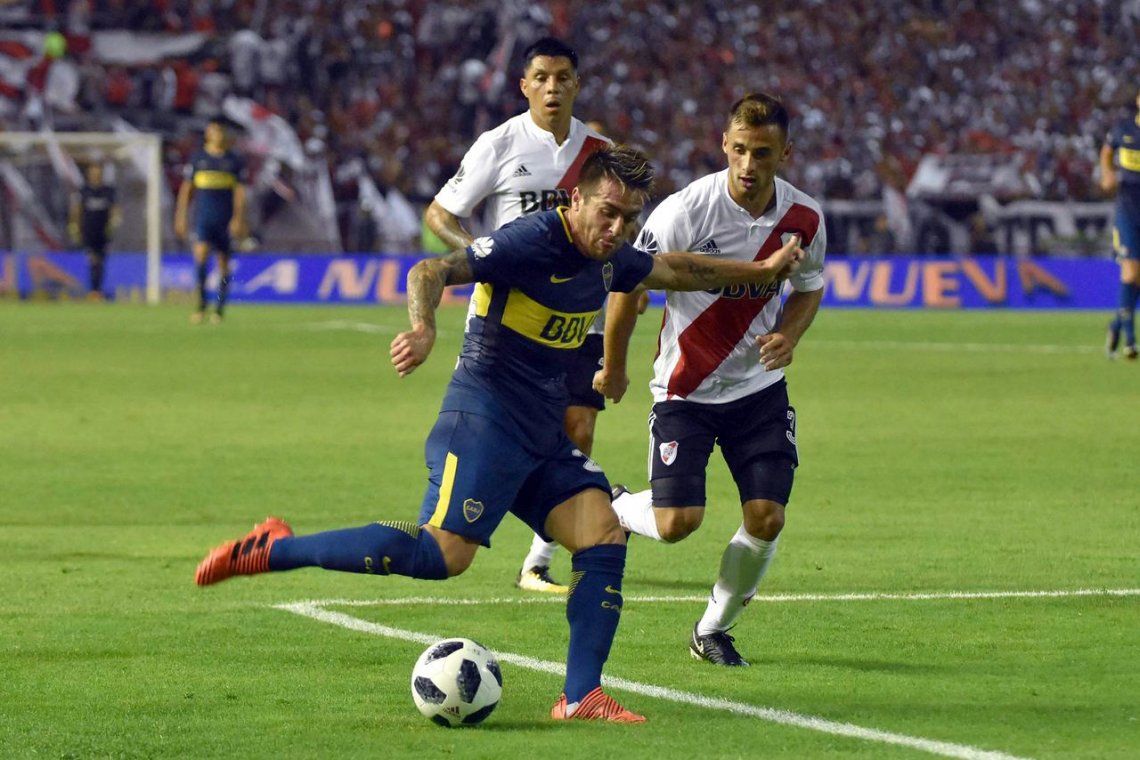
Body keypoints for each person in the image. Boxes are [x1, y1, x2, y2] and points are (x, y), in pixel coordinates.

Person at [194, 145, 805, 722]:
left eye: (628, 217)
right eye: (608, 212)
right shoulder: (531, 240)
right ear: (576, 200)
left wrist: (761, 270)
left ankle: (581, 695)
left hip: (541, 428)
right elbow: (430, 269)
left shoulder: (610, 257)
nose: (618, 228)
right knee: (443, 556)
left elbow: (676, 268)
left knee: (602, 533)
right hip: (484, 417)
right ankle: (277, 548)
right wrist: (424, 329)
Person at [595, 93, 826, 668]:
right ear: (724, 144)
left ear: (785, 154)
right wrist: (614, 366)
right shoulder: (685, 212)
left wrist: (790, 335)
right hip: (686, 390)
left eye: (762, 153)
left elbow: (810, 286)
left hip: (758, 392)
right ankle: (618, 507)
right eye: (739, 149)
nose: (748, 164)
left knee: (767, 517)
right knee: (677, 523)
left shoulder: (805, 219)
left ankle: (712, 630)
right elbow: (628, 286)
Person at [424, 37, 611, 594]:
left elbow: (616, 227)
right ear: (524, 85)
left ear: (577, 84)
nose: (553, 87)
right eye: (542, 78)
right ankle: (456, 522)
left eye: (563, 77)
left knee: (578, 429)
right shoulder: (500, 143)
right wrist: (483, 256)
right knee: (510, 432)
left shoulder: (600, 153)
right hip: (509, 323)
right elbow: (440, 213)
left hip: (580, 319)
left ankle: (537, 561)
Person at [174, 117, 247, 324]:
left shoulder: (233, 160)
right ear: (208, 133)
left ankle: (219, 309)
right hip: (203, 219)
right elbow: (187, 190)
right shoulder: (198, 158)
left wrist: (238, 218)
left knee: (224, 264)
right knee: (201, 257)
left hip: (225, 220)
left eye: (221, 131)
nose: (218, 135)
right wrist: (181, 216)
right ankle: (201, 305)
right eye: (214, 130)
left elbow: (240, 193)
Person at [1101, 89, 1140, 360]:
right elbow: (1106, 151)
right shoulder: (1124, 130)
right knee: (1130, 272)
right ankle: (1130, 341)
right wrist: (1107, 173)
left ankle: (1116, 325)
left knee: (1137, 279)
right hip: (1127, 211)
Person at [68, 162, 119, 300]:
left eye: (98, 173)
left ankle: (97, 291)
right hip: (88, 231)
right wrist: (74, 226)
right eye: (93, 173)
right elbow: (76, 210)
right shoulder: (83, 191)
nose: (95, 175)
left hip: (103, 232)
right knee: (93, 260)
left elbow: (115, 209)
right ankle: (94, 291)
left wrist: (114, 223)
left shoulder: (108, 191)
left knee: (101, 261)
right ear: (89, 175)